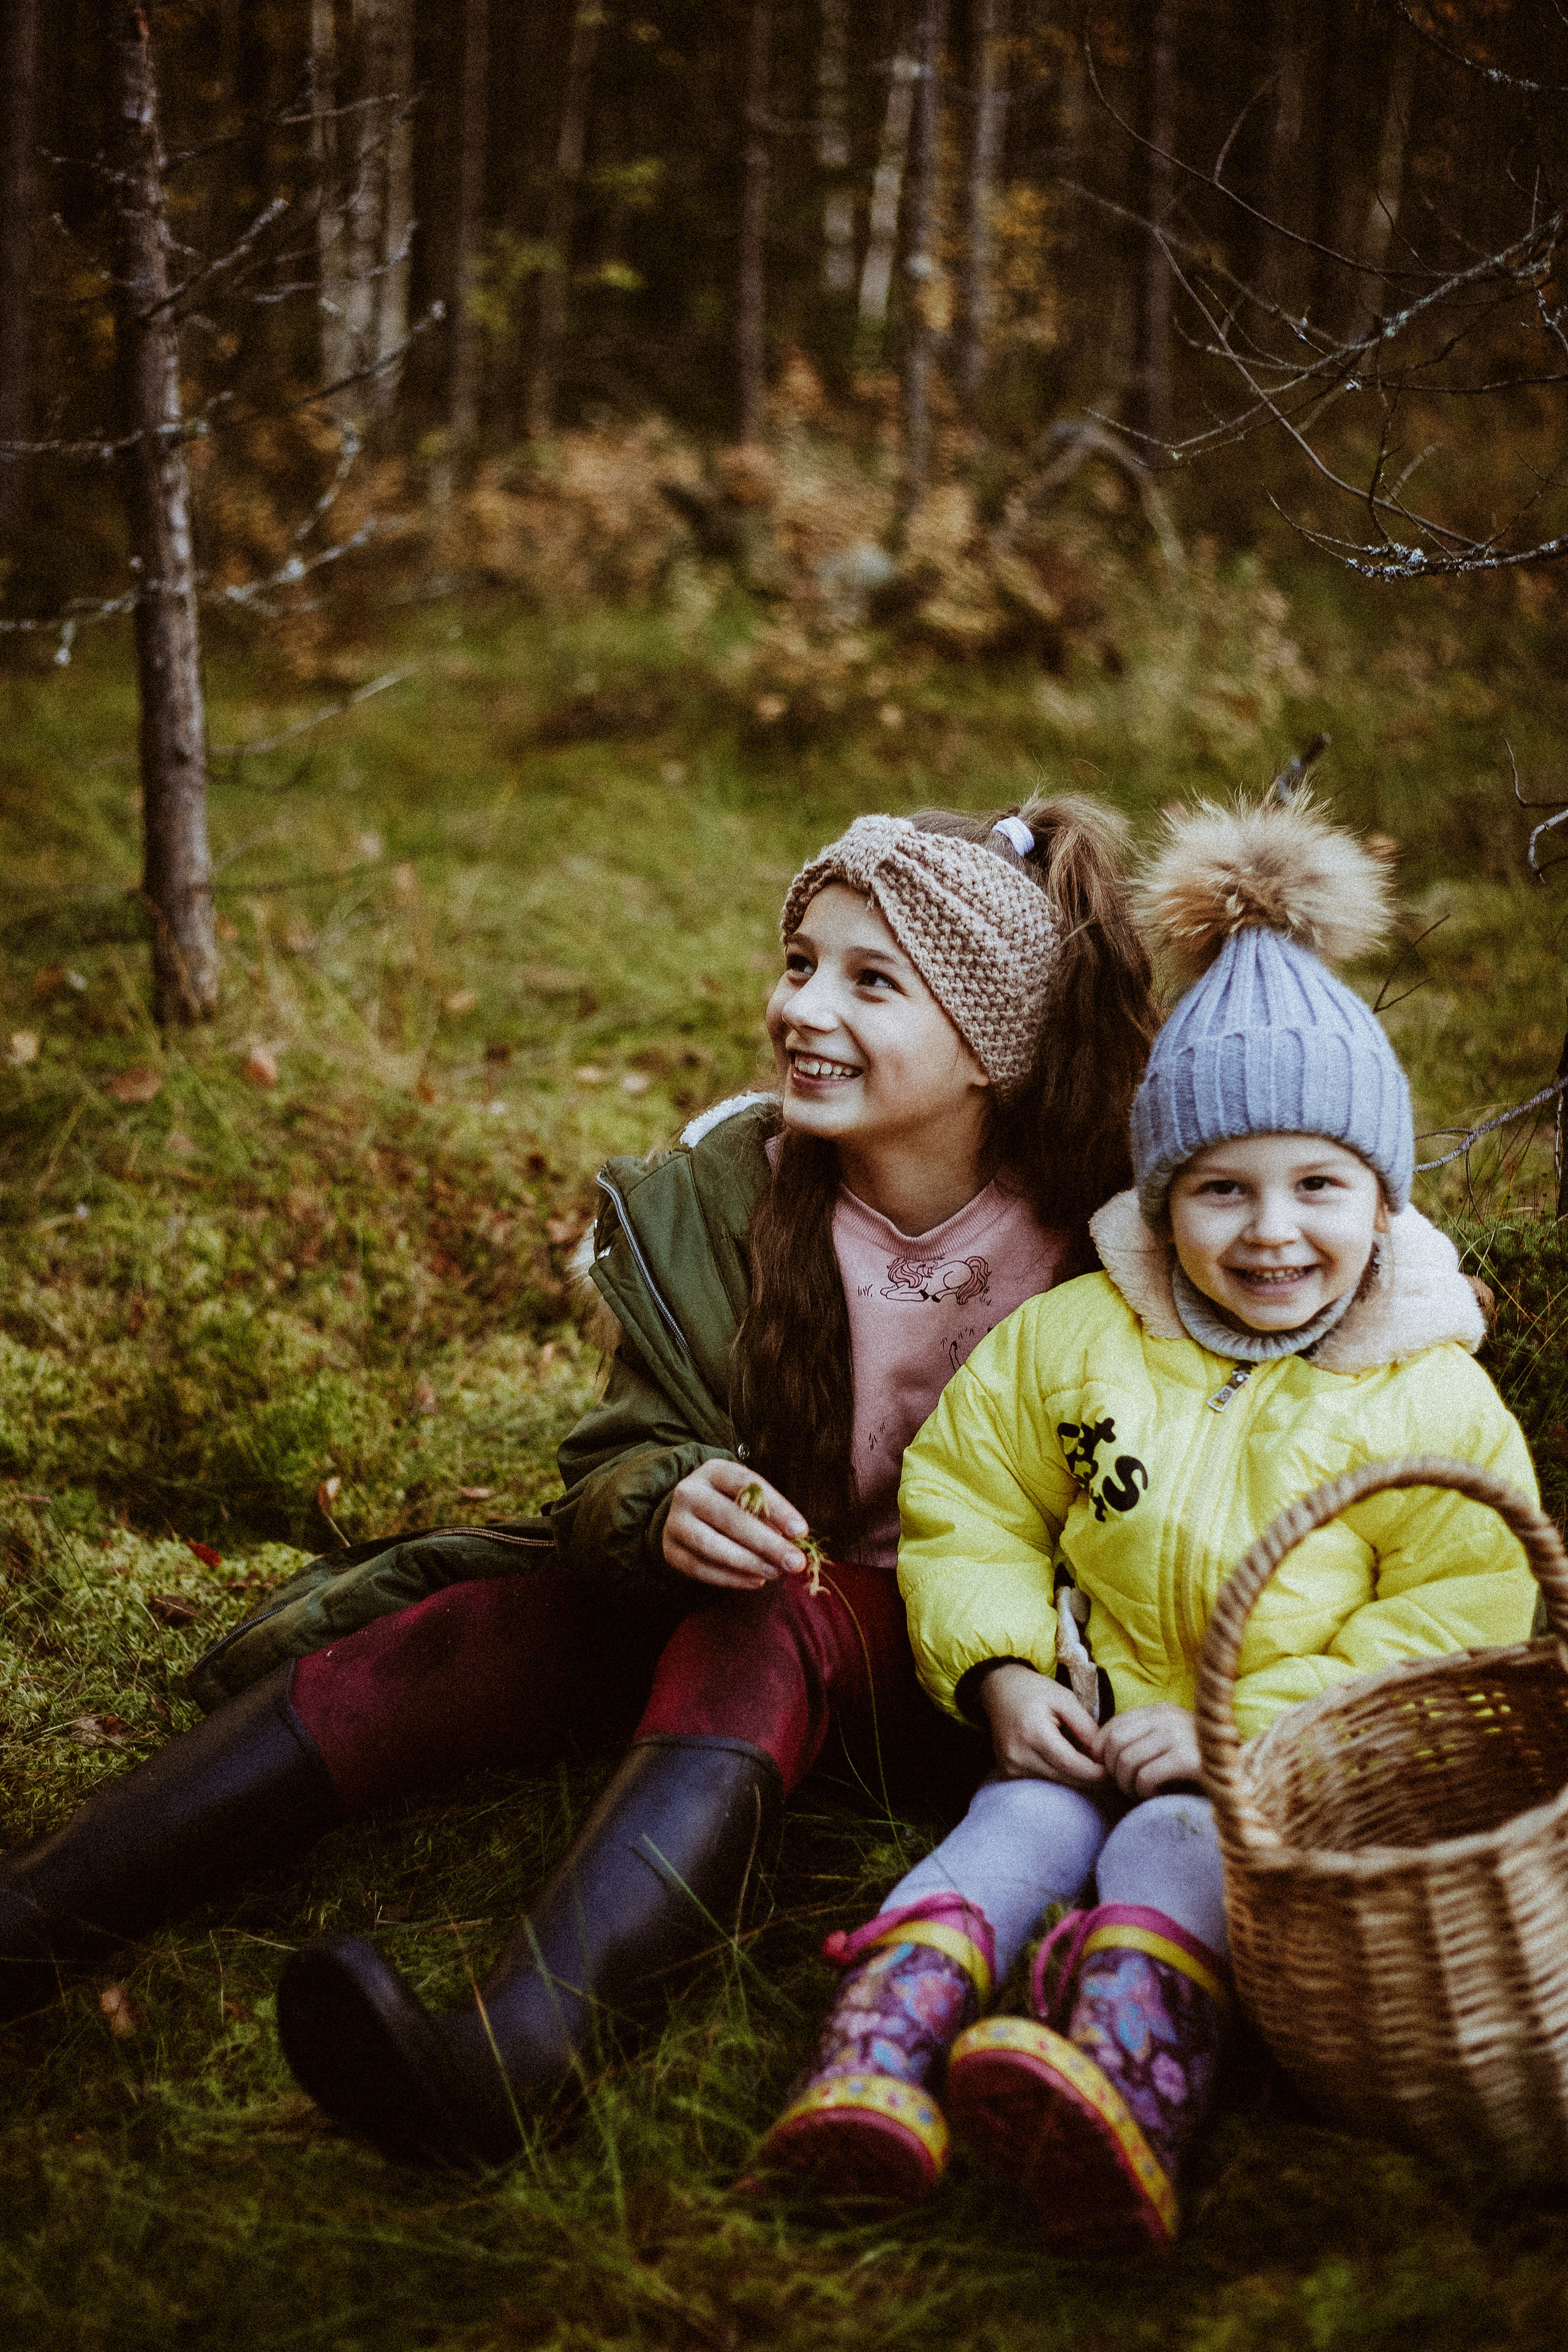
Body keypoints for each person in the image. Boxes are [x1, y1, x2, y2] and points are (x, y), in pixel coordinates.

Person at [0, 798, 1159, 2166]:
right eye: (798, 962)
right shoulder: (732, 1193)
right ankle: (35, 1917)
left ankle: (510, 2061)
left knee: (769, 1618)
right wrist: (668, 1497)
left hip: (973, 1677)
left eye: (869, 980)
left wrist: (1043, 1662)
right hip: (739, 1625)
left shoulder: (1104, 1241)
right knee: (466, 1626)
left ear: (988, 1047)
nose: (803, 1006)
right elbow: (619, 1458)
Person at [753, 794, 1538, 2253]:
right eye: (1217, 1192)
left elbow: (1456, 1611)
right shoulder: (1078, 1338)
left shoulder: (1426, 1396)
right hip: (1078, 1715)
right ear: (1158, 1200)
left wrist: (1246, 1730)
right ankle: (877, 2046)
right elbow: (969, 1495)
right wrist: (998, 1672)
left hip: (1252, 1783)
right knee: (1002, 1843)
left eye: (1320, 1187)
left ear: (1381, 1199)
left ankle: (1123, 2075)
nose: (1271, 1233)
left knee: (1177, 1856)